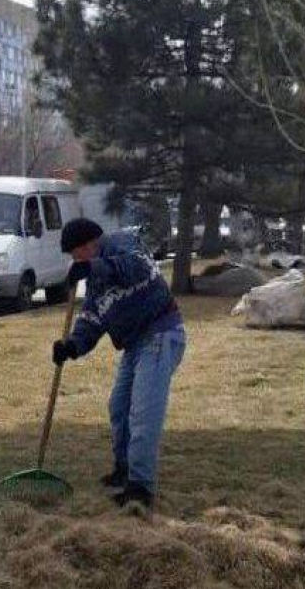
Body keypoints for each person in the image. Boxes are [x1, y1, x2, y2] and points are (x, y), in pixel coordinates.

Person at [53, 218, 186, 509]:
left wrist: (92, 267)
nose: (74, 260)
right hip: (135, 343)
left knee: (143, 412)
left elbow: (136, 268)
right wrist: (71, 346)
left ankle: (140, 487)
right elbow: (91, 319)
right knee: (119, 407)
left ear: (89, 244)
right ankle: (124, 469)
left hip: (161, 333)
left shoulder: (123, 244)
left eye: (75, 253)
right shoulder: (96, 280)